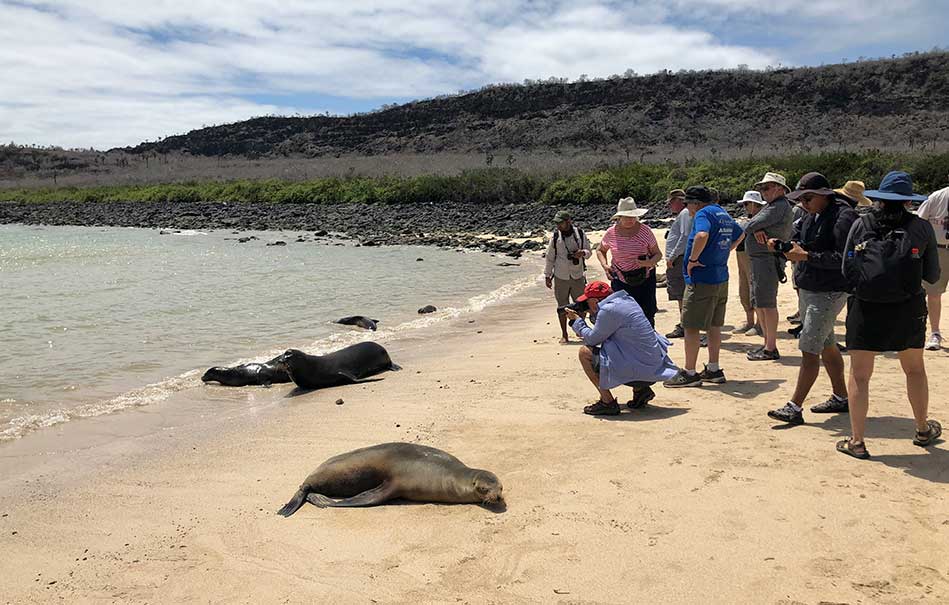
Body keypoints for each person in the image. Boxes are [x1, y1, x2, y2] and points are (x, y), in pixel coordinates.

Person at [836, 171, 942, 459]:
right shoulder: (920, 228)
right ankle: (922, 429)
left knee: (860, 375)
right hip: (907, 308)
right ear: (908, 200)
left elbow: (847, 270)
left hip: (865, 306)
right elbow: (933, 274)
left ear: (880, 198)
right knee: (915, 370)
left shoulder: (861, 224)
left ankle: (857, 441)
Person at [765, 173, 858, 425]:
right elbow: (800, 241)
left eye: (808, 198)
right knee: (826, 344)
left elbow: (843, 258)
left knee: (809, 348)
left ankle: (794, 406)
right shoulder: (812, 213)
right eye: (800, 199)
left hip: (829, 290)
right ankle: (841, 397)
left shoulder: (844, 216)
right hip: (810, 287)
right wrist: (785, 246)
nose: (803, 204)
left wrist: (805, 256)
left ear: (824, 194)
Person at [663, 186, 744, 388]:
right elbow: (740, 233)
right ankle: (713, 369)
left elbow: (701, 235)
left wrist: (692, 260)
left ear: (696, 203)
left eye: (688, 203)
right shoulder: (722, 212)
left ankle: (690, 372)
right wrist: (724, 252)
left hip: (701, 278)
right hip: (720, 275)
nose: (687, 208)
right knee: (714, 325)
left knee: (690, 326)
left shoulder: (703, 213)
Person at [566, 281, 679, 415]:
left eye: (587, 302)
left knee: (584, 353)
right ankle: (640, 391)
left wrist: (577, 322)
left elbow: (592, 339)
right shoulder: (627, 300)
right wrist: (593, 312)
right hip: (655, 368)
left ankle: (607, 402)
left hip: (643, 372)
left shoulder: (608, 310)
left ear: (595, 300)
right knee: (619, 345)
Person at [746, 172, 794, 360]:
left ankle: (770, 347)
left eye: (766, 188)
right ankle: (768, 344)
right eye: (762, 188)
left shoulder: (779, 206)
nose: (762, 192)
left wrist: (755, 226)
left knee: (766, 302)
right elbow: (753, 224)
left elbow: (751, 223)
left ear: (780, 189)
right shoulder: (775, 206)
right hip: (763, 259)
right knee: (762, 302)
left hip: (767, 259)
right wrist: (756, 227)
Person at [597, 197, 662, 327]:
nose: (631, 220)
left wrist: (648, 263)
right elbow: (600, 250)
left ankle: (648, 342)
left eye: (633, 216)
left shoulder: (645, 231)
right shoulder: (611, 233)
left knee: (647, 313)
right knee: (623, 314)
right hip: (620, 279)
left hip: (645, 278)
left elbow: (658, 254)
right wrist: (605, 266)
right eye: (627, 217)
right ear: (619, 217)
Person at [544, 210, 592, 343]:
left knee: (581, 305)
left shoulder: (580, 234)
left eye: (561, 223)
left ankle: (580, 330)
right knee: (562, 306)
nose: (558, 226)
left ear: (568, 221)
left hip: (578, 275)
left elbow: (589, 252)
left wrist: (582, 253)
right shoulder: (555, 237)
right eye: (557, 223)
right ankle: (564, 334)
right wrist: (547, 276)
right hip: (560, 276)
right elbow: (549, 258)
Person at [916, 185, 948, 350]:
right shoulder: (937, 196)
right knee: (933, 292)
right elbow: (920, 221)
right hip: (939, 249)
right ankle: (935, 333)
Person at [734, 191, 765, 335]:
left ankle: (760, 324)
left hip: (752, 255)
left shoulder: (762, 219)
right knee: (744, 288)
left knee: (754, 288)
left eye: (747, 204)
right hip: (741, 254)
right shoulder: (750, 219)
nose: (745, 207)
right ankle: (750, 321)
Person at [663, 189, 691, 338]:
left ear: (679, 201)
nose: (669, 206)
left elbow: (684, 237)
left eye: (670, 202)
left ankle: (685, 325)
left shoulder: (685, 213)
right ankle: (684, 323)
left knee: (681, 293)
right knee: (681, 294)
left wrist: (672, 257)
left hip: (679, 259)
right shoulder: (685, 214)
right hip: (679, 258)